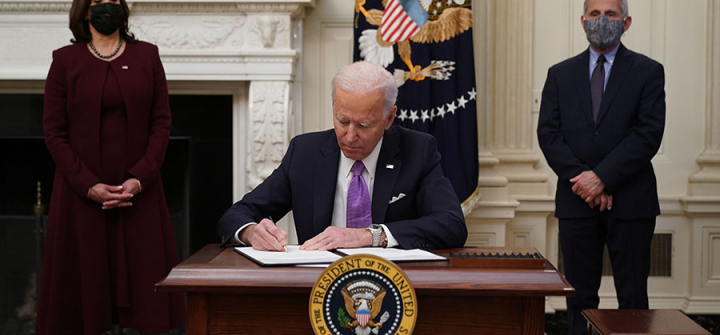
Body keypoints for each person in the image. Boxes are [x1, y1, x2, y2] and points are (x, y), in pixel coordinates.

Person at [37, 0, 186, 333]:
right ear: (85, 12)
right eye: (97, 2)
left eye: (113, 1)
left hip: (139, 196)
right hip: (80, 198)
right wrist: (88, 185)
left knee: (147, 297)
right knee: (82, 303)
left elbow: (162, 123)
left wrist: (140, 178)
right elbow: (53, 131)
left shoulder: (147, 56)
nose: (107, 7)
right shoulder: (64, 61)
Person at [218, 61, 467, 251]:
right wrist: (251, 233)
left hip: (396, 284)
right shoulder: (305, 153)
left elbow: (451, 225)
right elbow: (236, 215)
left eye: (364, 125)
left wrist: (370, 235)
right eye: (342, 120)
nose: (349, 136)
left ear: (389, 118)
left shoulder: (418, 150)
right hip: (318, 284)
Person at [537, 0, 665, 334]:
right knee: (579, 296)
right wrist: (586, 182)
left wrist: (603, 179)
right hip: (576, 202)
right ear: (582, 21)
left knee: (633, 297)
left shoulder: (649, 71)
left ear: (627, 22)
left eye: (610, 14)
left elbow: (648, 134)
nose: (602, 20)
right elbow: (549, 135)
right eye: (595, 14)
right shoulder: (559, 74)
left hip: (632, 202)